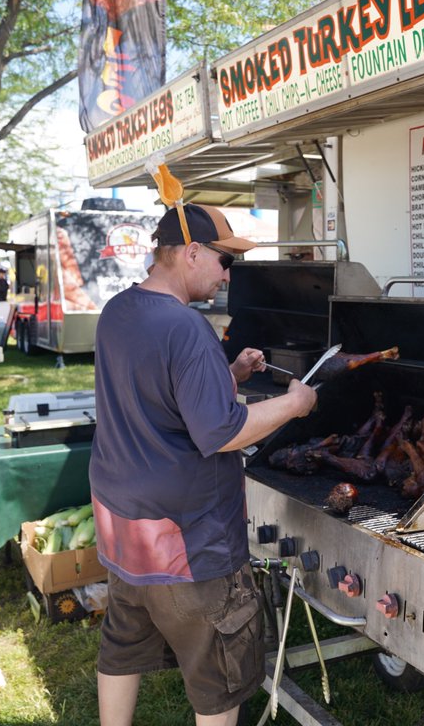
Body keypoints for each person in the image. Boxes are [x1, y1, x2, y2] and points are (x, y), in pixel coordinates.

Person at [90, 204, 317, 726]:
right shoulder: (187, 327)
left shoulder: (119, 311)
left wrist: (227, 372)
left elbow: (158, 395)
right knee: (220, 676)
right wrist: (294, 404)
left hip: (125, 531)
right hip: (186, 543)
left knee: (123, 644)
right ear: (190, 252)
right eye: (223, 260)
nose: (226, 274)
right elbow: (221, 432)